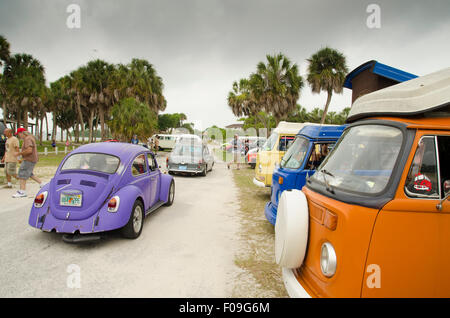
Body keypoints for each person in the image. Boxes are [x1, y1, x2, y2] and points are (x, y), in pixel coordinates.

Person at [12, 128, 44, 198]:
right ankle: (42, 184)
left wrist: (19, 153)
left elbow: (29, 150)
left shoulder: (27, 139)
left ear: (22, 133)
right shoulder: (30, 138)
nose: (19, 136)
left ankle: (22, 191)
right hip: (32, 159)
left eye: (19, 134)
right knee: (29, 173)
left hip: (29, 159)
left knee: (22, 173)